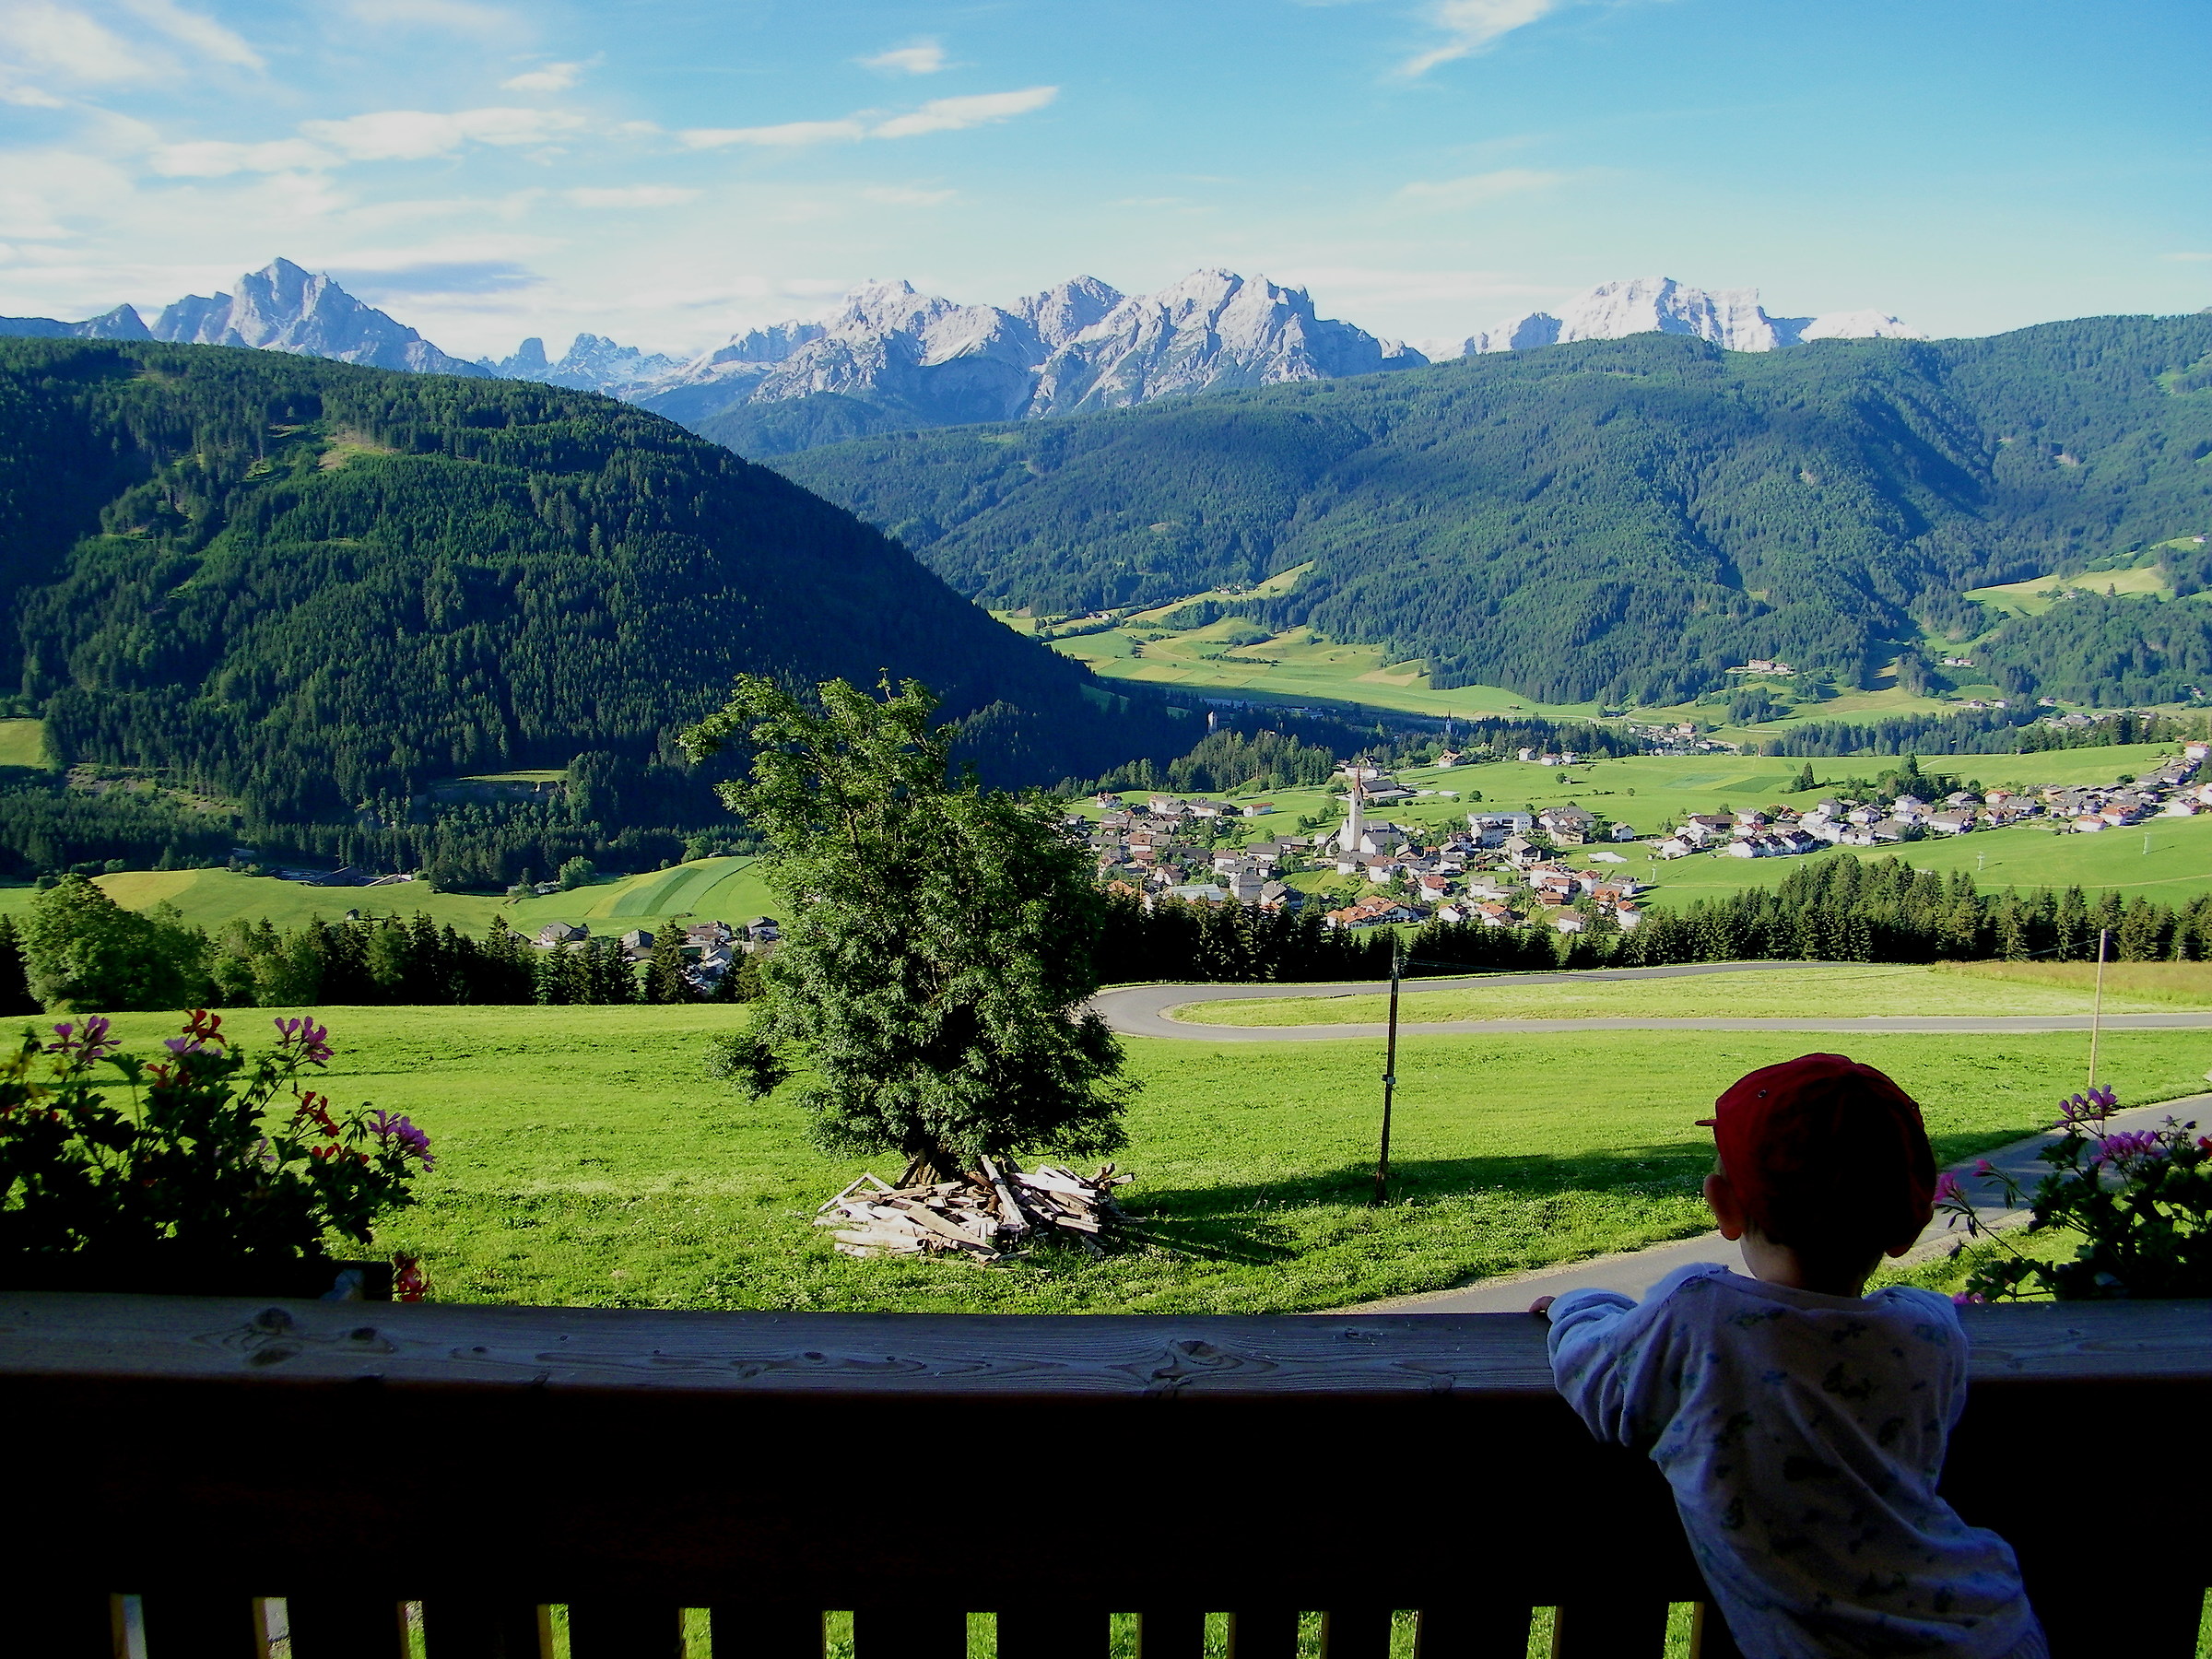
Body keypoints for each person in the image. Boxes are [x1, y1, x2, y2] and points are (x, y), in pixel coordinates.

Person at [1532, 1053, 2045, 1659]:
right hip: (1997, 1629)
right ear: (1905, 1228)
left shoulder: (1700, 1315)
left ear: (1723, 1205)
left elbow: (1595, 1377)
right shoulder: (1930, 1332)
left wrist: (1577, 1305)